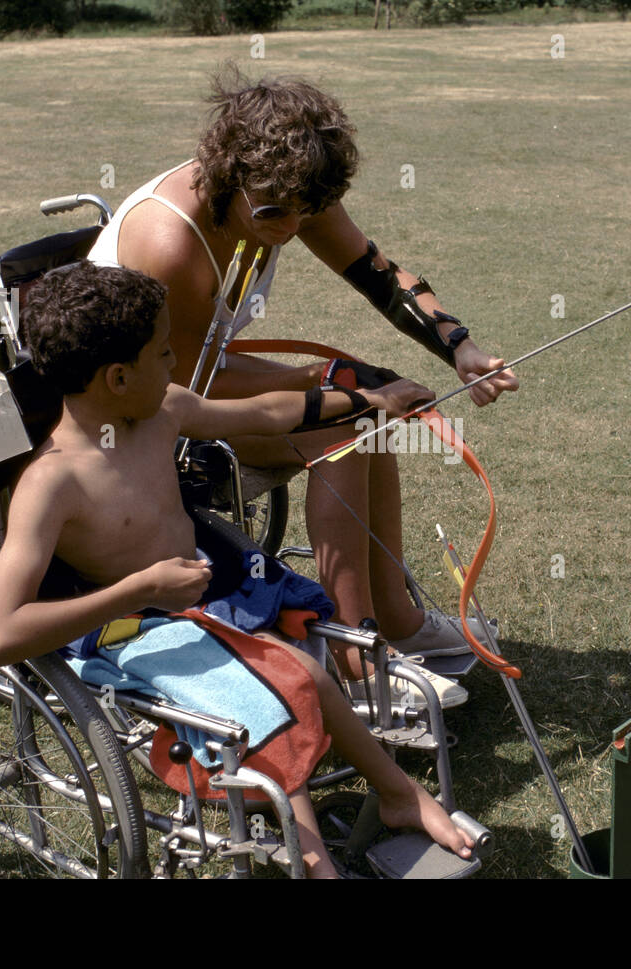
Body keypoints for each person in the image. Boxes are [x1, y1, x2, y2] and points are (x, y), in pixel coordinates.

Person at [0, 261, 473, 878]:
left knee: (306, 678)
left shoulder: (161, 409)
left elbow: (265, 414)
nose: (172, 364)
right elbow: (1, 636)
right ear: (117, 377)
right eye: (164, 352)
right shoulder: (52, 483)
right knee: (280, 695)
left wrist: (369, 399)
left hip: (209, 597)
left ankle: (398, 795)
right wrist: (142, 588)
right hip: (132, 626)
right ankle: (320, 862)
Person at [88, 65, 520, 707]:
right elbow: (174, 390)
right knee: (342, 426)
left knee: (359, 414)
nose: (291, 227)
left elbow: (376, 273)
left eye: (306, 212)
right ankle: (357, 662)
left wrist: (459, 345)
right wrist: (333, 385)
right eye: (275, 213)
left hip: (188, 382)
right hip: (130, 418)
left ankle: (396, 623)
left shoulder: (284, 191)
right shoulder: (171, 241)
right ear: (230, 174)